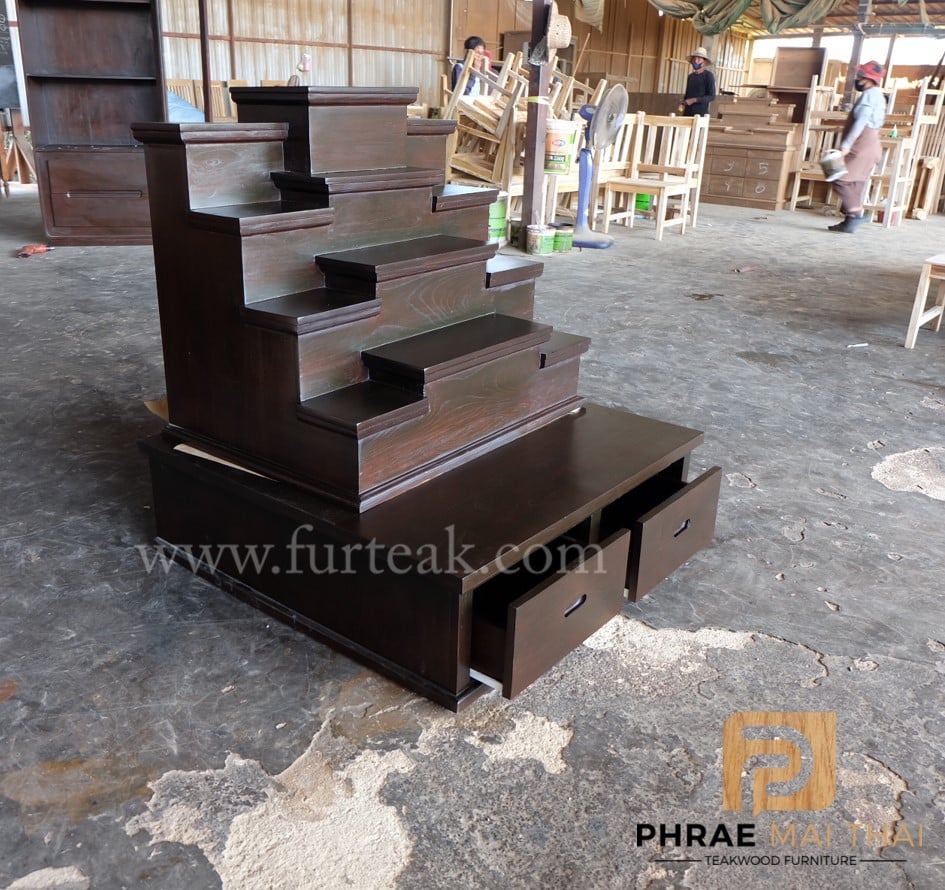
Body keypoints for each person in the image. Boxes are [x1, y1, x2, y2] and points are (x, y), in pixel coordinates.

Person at [828, 60, 887, 234]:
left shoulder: (869, 96)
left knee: (837, 175)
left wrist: (846, 145)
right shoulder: (878, 95)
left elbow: (862, 121)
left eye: (860, 76)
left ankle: (856, 214)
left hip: (862, 144)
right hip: (872, 144)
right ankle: (849, 222)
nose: (858, 79)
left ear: (867, 79)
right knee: (856, 182)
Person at [681, 47, 716, 117]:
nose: (696, 61)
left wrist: (694, 100)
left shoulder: (708, 76)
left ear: (704, 62)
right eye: (694, 59)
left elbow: (711, 96)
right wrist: (683, 102)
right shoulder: (691, 76)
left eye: (699, 59)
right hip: (688, 112)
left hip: (700, 114)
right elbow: (687, 94)